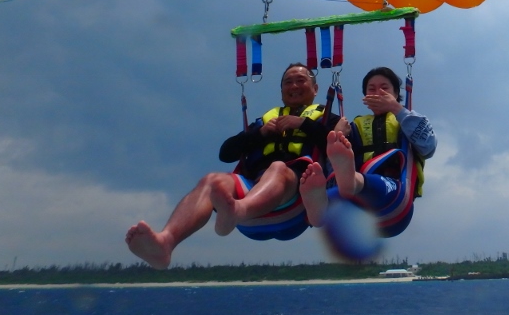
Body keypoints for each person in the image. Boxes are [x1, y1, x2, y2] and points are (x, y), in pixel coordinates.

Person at [125, 63, 339, 269]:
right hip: (252, 194)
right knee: (212, 180)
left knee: (277, 168)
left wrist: (302, 124)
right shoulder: (265, 122)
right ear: (281, 91)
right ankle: (165, 243)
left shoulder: (326, 118)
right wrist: (260, 134)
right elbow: (226, 153)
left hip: (295, 205)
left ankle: (237, 210)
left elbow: (342, 145)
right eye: (288, 82)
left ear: (315, 88)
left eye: (300, 80)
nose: (294, 86)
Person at [299, 66, 436, 236]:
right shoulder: (355, 126)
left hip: (395, 199)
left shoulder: (409, 120)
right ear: (365, 97)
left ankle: (347, 186)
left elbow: (428, 146)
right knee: (341, 167)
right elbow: (336, 163)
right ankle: (318, 212)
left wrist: (397, 109)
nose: (378, 92)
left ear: (395, 94)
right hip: (357, 209)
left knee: (357, 181)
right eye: (371, 89)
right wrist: (339, 133)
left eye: (384, 88)